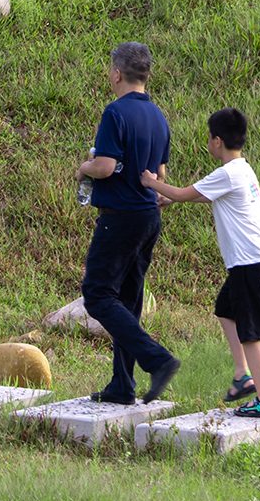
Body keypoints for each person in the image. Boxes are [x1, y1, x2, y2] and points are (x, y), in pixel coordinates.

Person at [141, 107, 260, 418]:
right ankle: (241, 375)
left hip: (249, 261)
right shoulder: (242, 170)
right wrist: (171, 198)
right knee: (225, 309)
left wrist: (152, 183)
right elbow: (204, 195)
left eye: (208, 138)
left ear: (217, 141)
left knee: (251, 332)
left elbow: (182, 192)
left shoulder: (228, 172)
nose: (207, 143)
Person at [73, 42, 181, 406]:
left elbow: (103, 166)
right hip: (149, 216)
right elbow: (160, 174)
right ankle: (122, 385)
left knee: (98, 295)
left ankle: (157, 359)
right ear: (146, 75)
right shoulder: (158, 117)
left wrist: (83, 169)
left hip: (120, 217)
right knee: (129, 301)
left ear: (116, 74)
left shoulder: (115, 112)